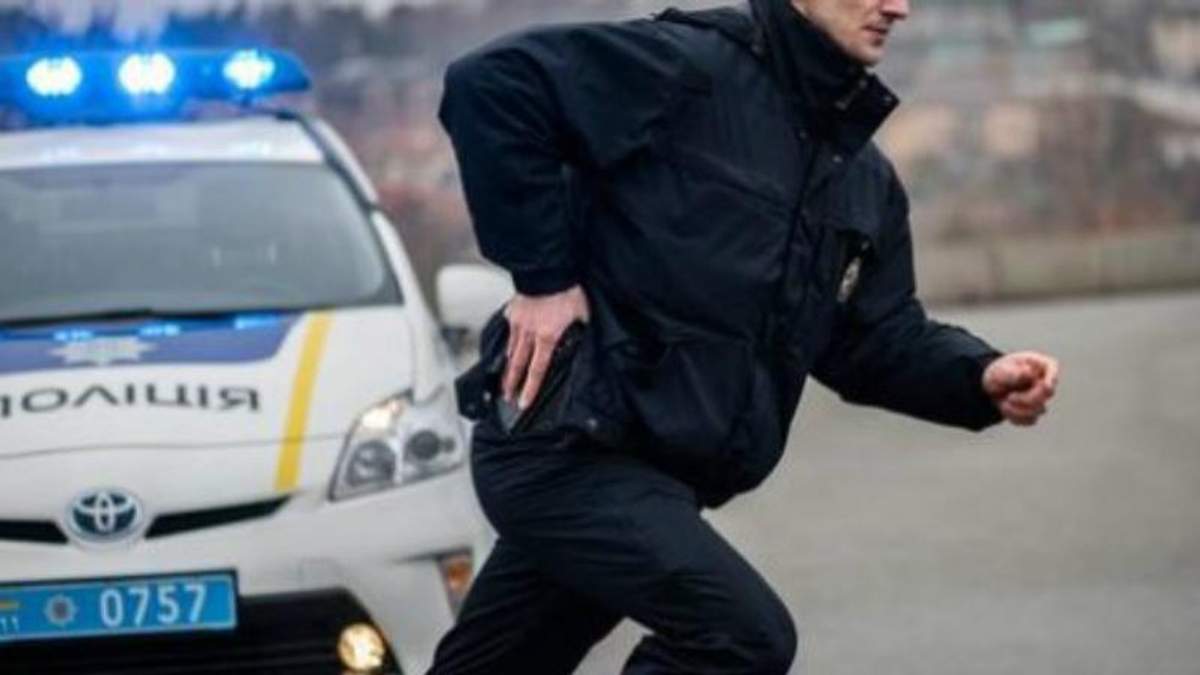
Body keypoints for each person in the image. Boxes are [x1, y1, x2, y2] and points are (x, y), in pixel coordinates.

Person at [430, 0, 1061, 673]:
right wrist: (544, 280)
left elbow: (875, 339)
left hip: (652, 477)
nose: (897, 7)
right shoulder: (687, 69)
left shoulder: (860, 177)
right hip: (564, 451)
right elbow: (490, 85)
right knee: (740, 638)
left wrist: (977, 376)